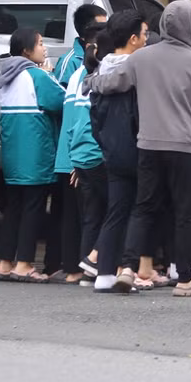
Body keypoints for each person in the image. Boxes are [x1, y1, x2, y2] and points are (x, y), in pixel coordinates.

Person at [86, 0, 191, 297]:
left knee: (143, 207)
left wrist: (90, 81)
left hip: (148, 144)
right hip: (185, 146)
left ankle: (129, 268)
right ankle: (184, 280)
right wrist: (190, 120)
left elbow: (113, 82)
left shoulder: (142, 58)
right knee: (184, 214)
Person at [86, 11, 156, 293]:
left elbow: (94, 118)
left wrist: (105, 143)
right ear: (133, 39)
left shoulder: (100, 69)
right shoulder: (139, 68)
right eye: (145, 34)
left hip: (111, 151)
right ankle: (129, 269)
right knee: (140, 211)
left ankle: (104, 274)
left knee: (115, 211)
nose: (147, 39)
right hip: (139, 148)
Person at [0, 28, 65, 282]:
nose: (44, 48)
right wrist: (49, 75)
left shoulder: (7, 76)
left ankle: (4, 263)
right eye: (40, 43)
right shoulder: (36, 75)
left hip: (14, 158)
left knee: (13, 211)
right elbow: (60, 100)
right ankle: (24, 264)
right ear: (26, 50)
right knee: (33, 211)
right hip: (36, 158)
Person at [65, 20, 109, 286]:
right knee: (117, 210)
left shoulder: (78, 75)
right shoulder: (106, 75)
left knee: (92, 215)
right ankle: (99, 265)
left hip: (80, 154)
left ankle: (85, 270)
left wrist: (73, 159)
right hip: (99, 154)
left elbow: (73, 120)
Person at [54, 4, 107, 87]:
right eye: (101, 27)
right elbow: (60, 94)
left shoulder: (107, 55)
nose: (107, 31)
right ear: (88, 29)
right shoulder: (70, 62)